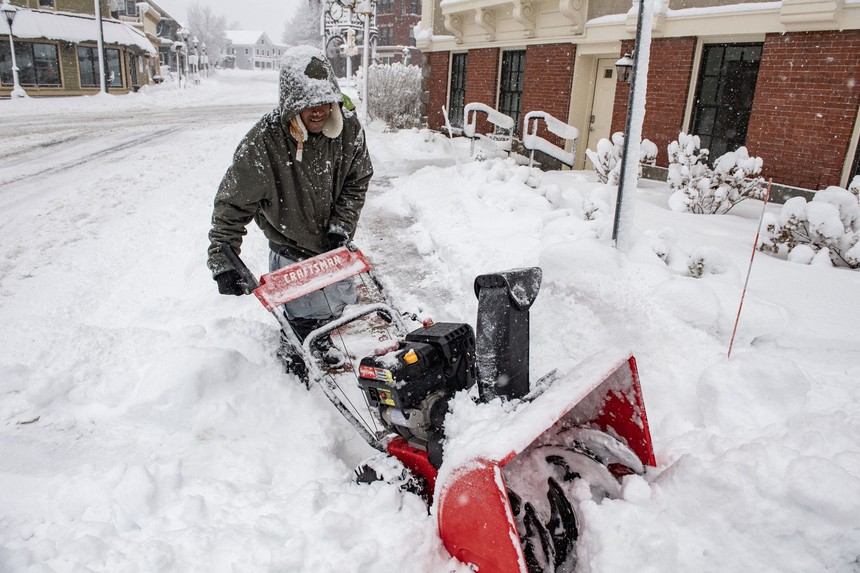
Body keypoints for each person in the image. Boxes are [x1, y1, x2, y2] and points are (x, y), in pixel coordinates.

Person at [206, 45, 373, 369]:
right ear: (291, 103)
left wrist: (342, 226)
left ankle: (321, 344)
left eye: (325, 101)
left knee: (332, 310)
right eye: (307, 104)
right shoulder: (263, 143)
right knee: (301, 320)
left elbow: (358, 179)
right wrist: (222, 260)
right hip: (290, 250)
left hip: (332, 248)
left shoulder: (347, 130)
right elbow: (232, 204)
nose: (318, 111)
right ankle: (293, 366)